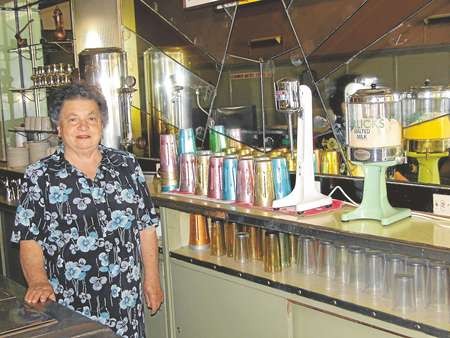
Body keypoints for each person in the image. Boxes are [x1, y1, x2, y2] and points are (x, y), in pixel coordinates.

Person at [11, 82, 163, 338]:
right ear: (58, 129)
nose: (83, 126)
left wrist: (152, 279)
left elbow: (146, 227)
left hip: (125, 299)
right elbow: (29, 238)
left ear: (101, 125)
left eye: (91, 118)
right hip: (69, 301)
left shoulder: (126, 165)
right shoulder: (40, 175)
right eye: (73, 119)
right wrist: (38, 281)